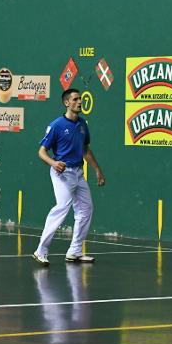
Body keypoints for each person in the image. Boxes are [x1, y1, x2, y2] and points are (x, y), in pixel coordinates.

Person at [32, 88, 105, 266]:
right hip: (61, 173)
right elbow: (41, 152)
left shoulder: (82, 125)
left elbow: (85, 150)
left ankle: (74, 251)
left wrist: (97, 170)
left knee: (86, 209)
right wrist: (53, 163)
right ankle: (40, 250)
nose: (79, 102)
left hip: (78, 173)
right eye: (75, 99)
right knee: (63, 206)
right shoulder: (56, 125)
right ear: (67, 103)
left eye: (80, 99)